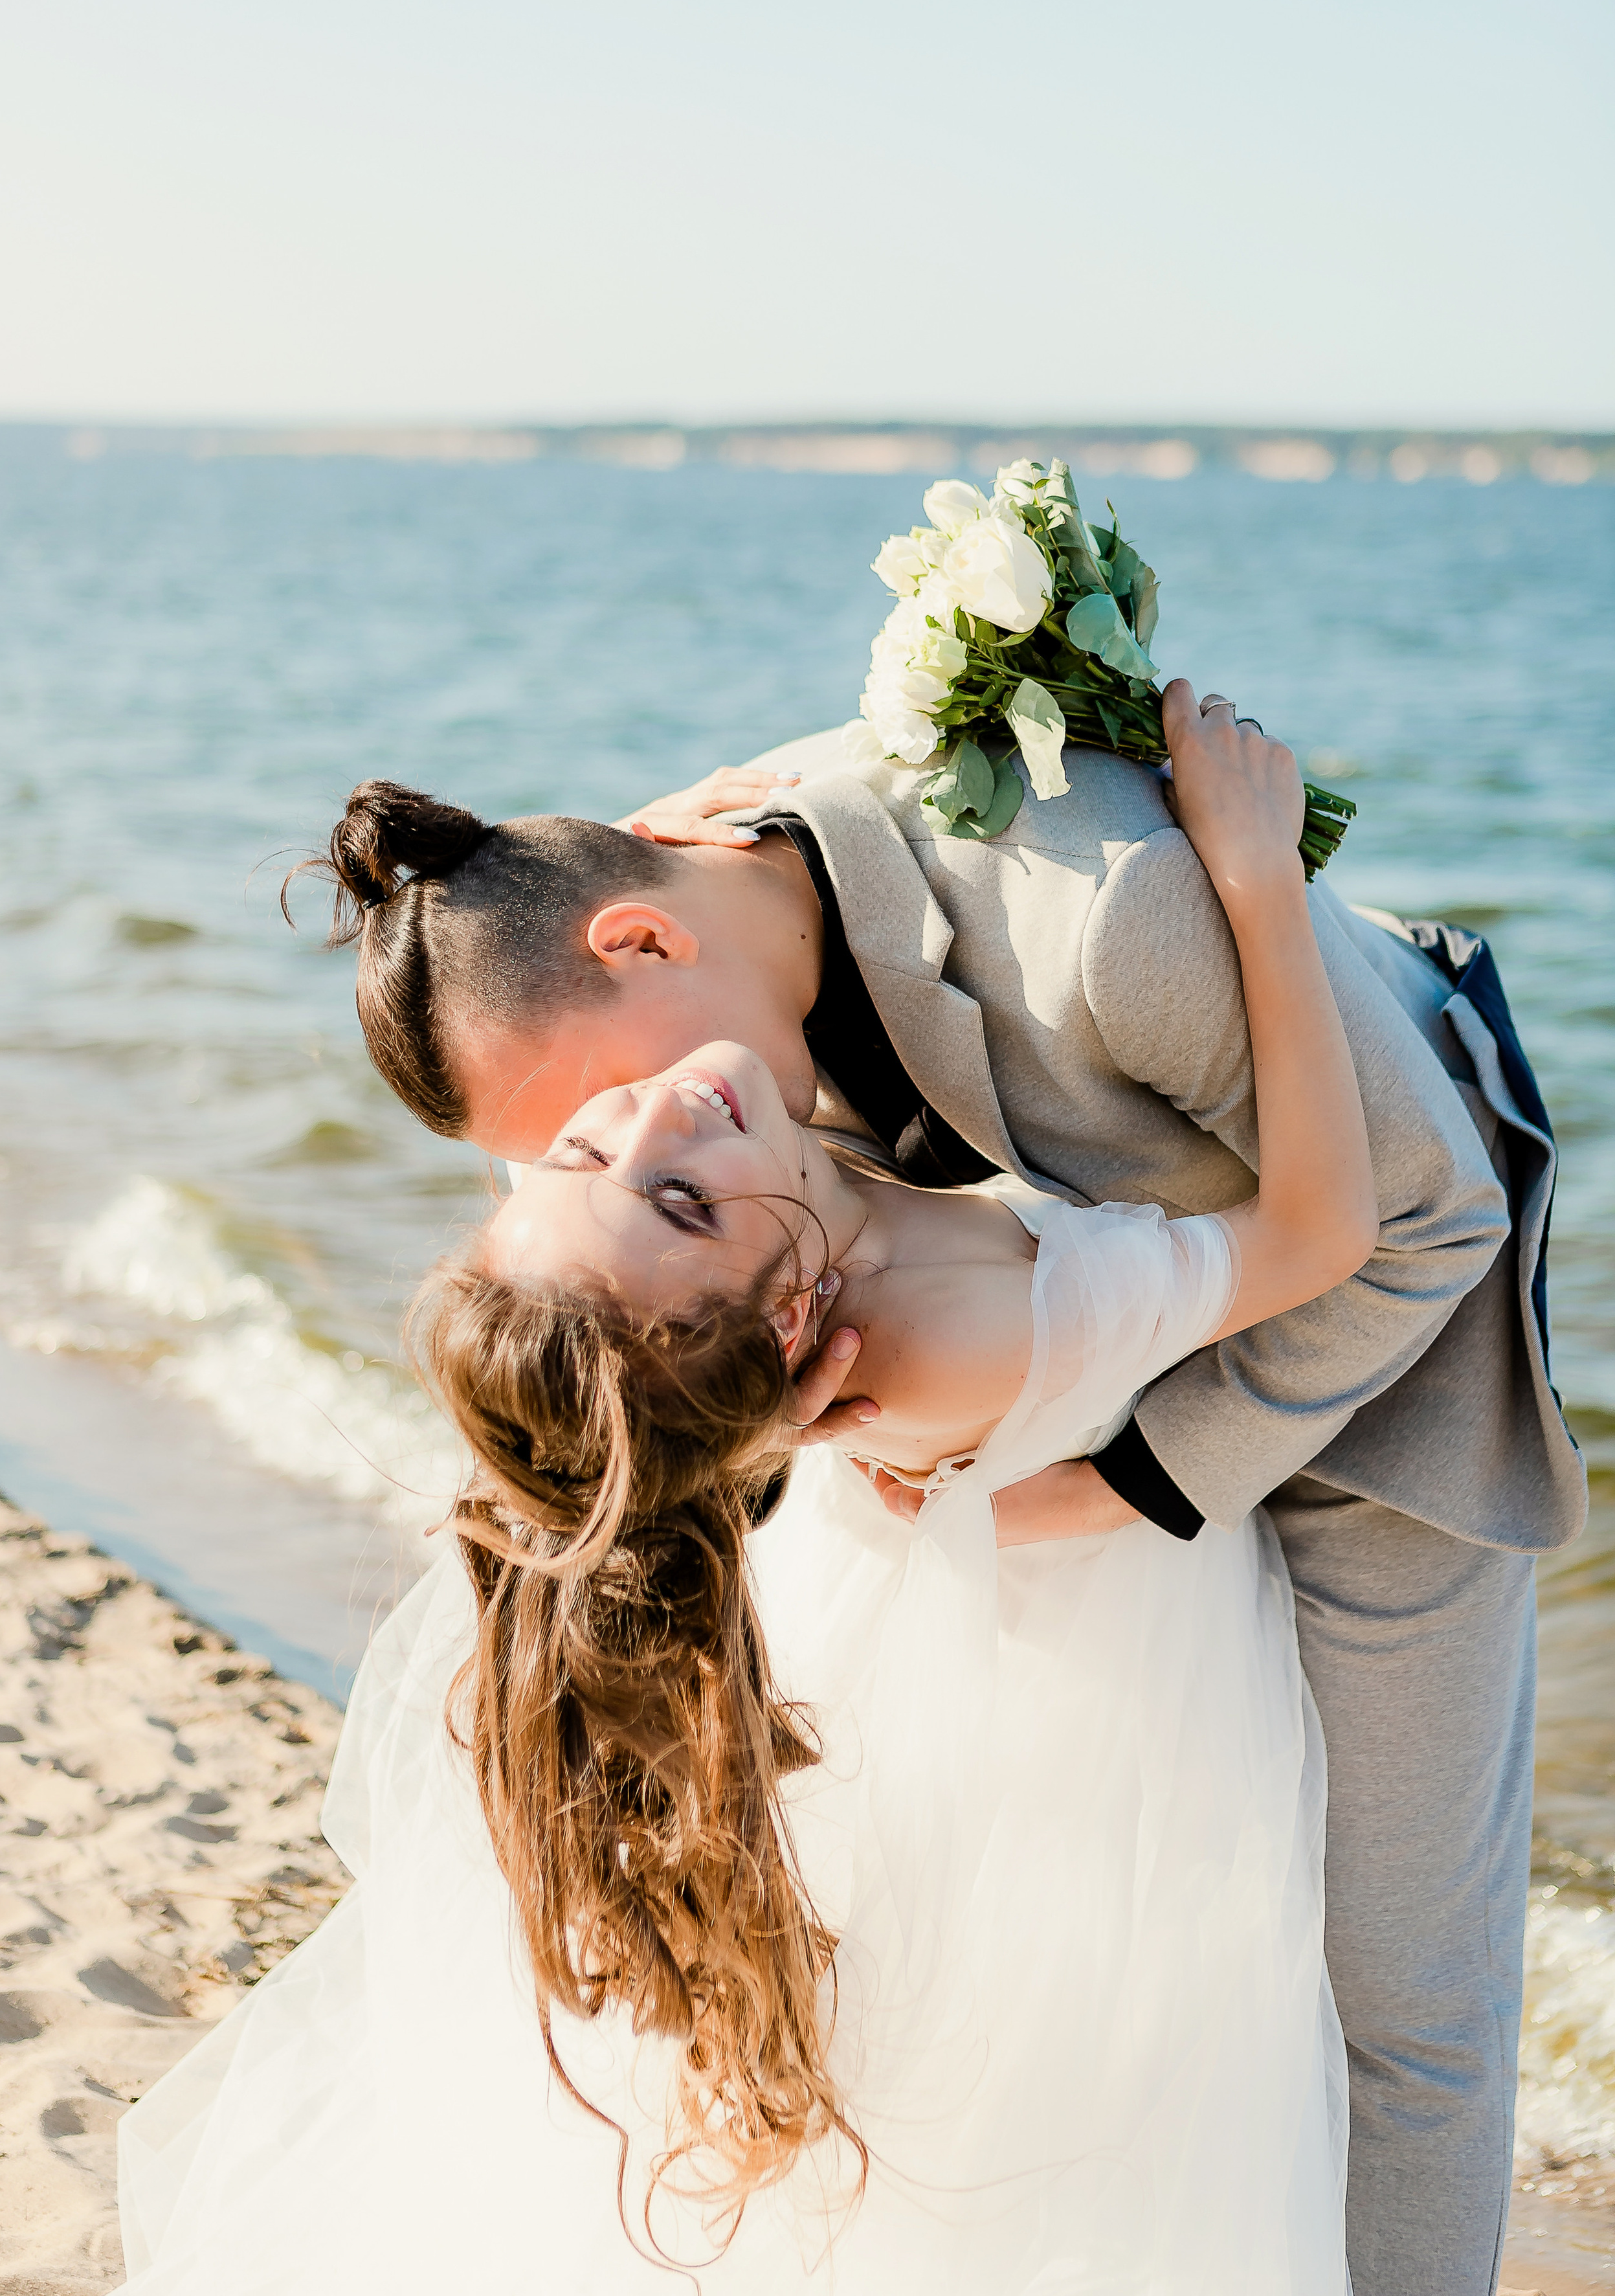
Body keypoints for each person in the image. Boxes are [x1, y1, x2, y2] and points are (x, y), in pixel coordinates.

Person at [279, 671, 1579, 2296]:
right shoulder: (725, 1035)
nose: (641, 1118)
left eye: (596, 1108)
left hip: (1385, 1389)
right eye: (576, 1152)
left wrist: (1141, 1478)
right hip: (1130, 1376)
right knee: (1198, 1997)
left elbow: (1424, 1230)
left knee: (1398, 2012)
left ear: (638, 936)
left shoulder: (1100, 931)